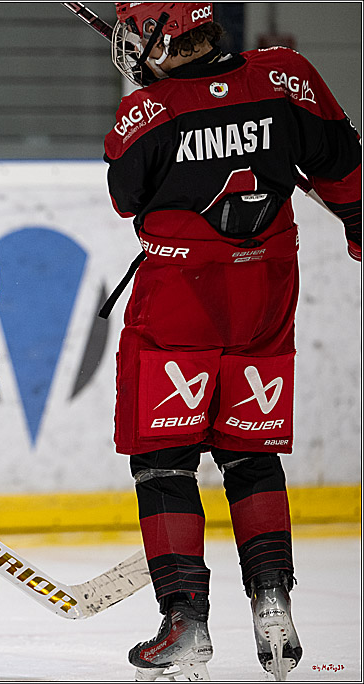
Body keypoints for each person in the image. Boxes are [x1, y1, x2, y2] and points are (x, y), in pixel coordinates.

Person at [102, 3, 361, 681]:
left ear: (161, 35)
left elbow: (126, 191)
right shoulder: (285, 77)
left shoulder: (148, 115)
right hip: (266, 297)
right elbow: (342, 159)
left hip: (180, 306)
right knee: (250, 456)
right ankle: (274, 606)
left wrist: (153, 93)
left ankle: (185, 624)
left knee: (164, 462)